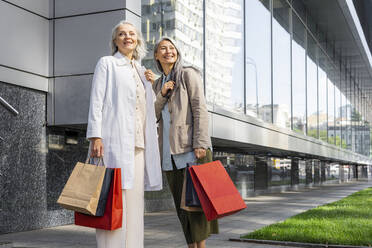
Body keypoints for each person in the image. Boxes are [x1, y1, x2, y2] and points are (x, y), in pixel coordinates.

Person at [87, 20, 162, 248]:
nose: (127, 37)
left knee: (134, 203)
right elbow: (96, 100)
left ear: (137, 39)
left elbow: (147, 110)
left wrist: (153, 85)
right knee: (113, 201)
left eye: (131, 33)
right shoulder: (107, 63)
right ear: (115, 40)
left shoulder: (141, 71)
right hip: (114, 142)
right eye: (122, 34)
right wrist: (95, 136)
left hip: (138, 146)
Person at [145, 37, 219, 248]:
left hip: (191, 149)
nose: (168, 51)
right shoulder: (159, 83)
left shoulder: (188, 74)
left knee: (196, 207)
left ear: (177, 52)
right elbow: (153, 115)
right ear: (156, 56)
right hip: (169, 154)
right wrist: (161, 93)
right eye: (162, 49)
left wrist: (201, 143)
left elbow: (200, 110)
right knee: (181, 208)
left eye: (172, 48)